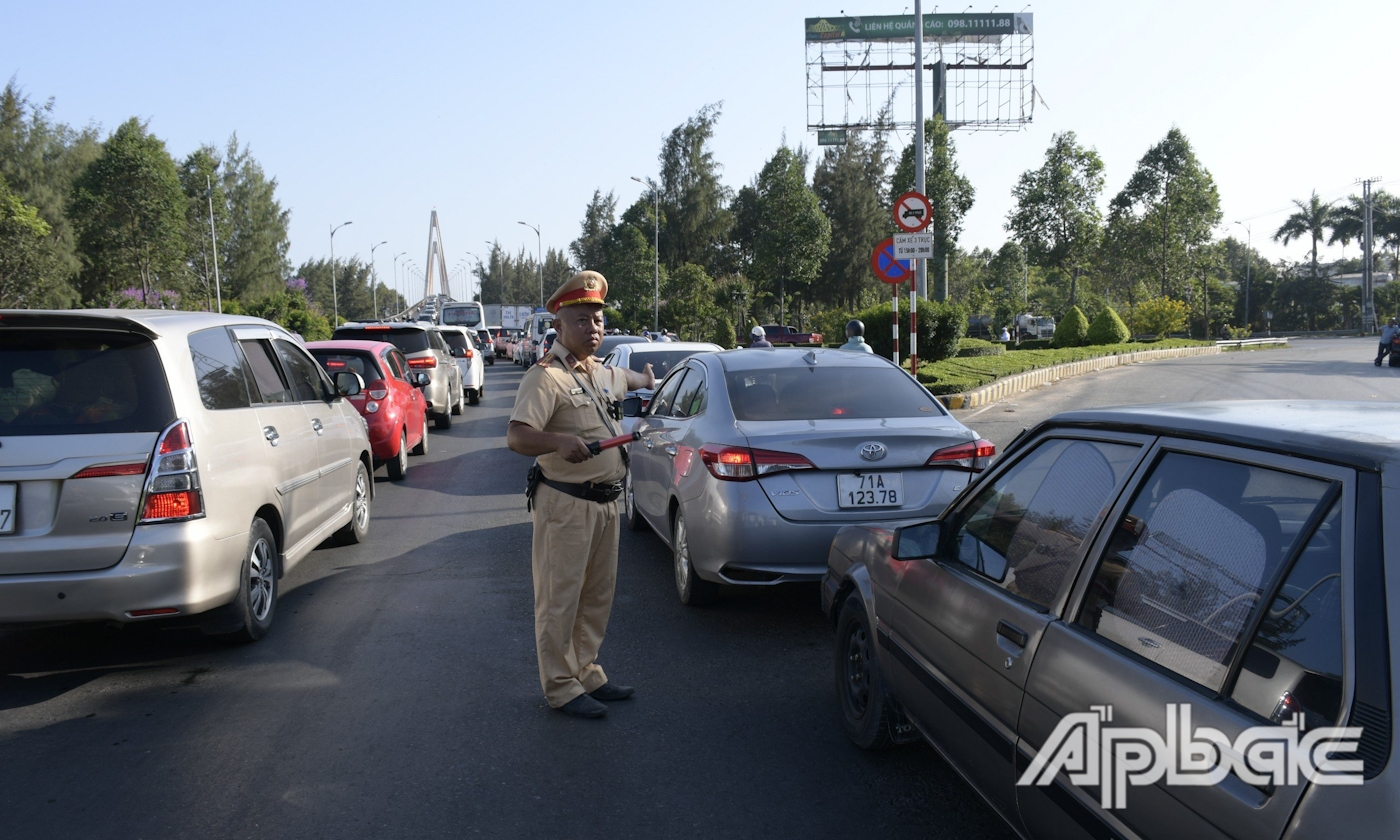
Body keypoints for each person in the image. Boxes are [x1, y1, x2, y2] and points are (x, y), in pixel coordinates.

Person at [507, 270, 655, 719]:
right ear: (558, 325)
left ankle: (585, 670)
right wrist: (557, 443)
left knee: (596, 596)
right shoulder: (544, 378)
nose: (594, 328)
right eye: (582, 320)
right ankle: (559, 685)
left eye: (598, 320)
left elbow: (628, 380)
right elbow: (517, 436)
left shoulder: (603, 373)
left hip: (607, 504)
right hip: (566, 505)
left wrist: (646, 378)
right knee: (560, 598)